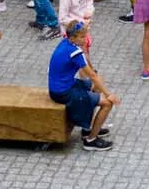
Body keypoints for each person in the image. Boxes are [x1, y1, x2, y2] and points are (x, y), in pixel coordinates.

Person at [46, 20, 116, 149]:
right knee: (107, 103)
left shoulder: (65, 43)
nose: (85, 39)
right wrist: (109, 94)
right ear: (73, 38)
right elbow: (92, 75)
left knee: (97, 85)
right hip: (63, 92)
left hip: (60, 86)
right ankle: (90, 140)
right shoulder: (74, 52)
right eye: (82, 37)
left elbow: (88, 64)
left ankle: (87, 128)